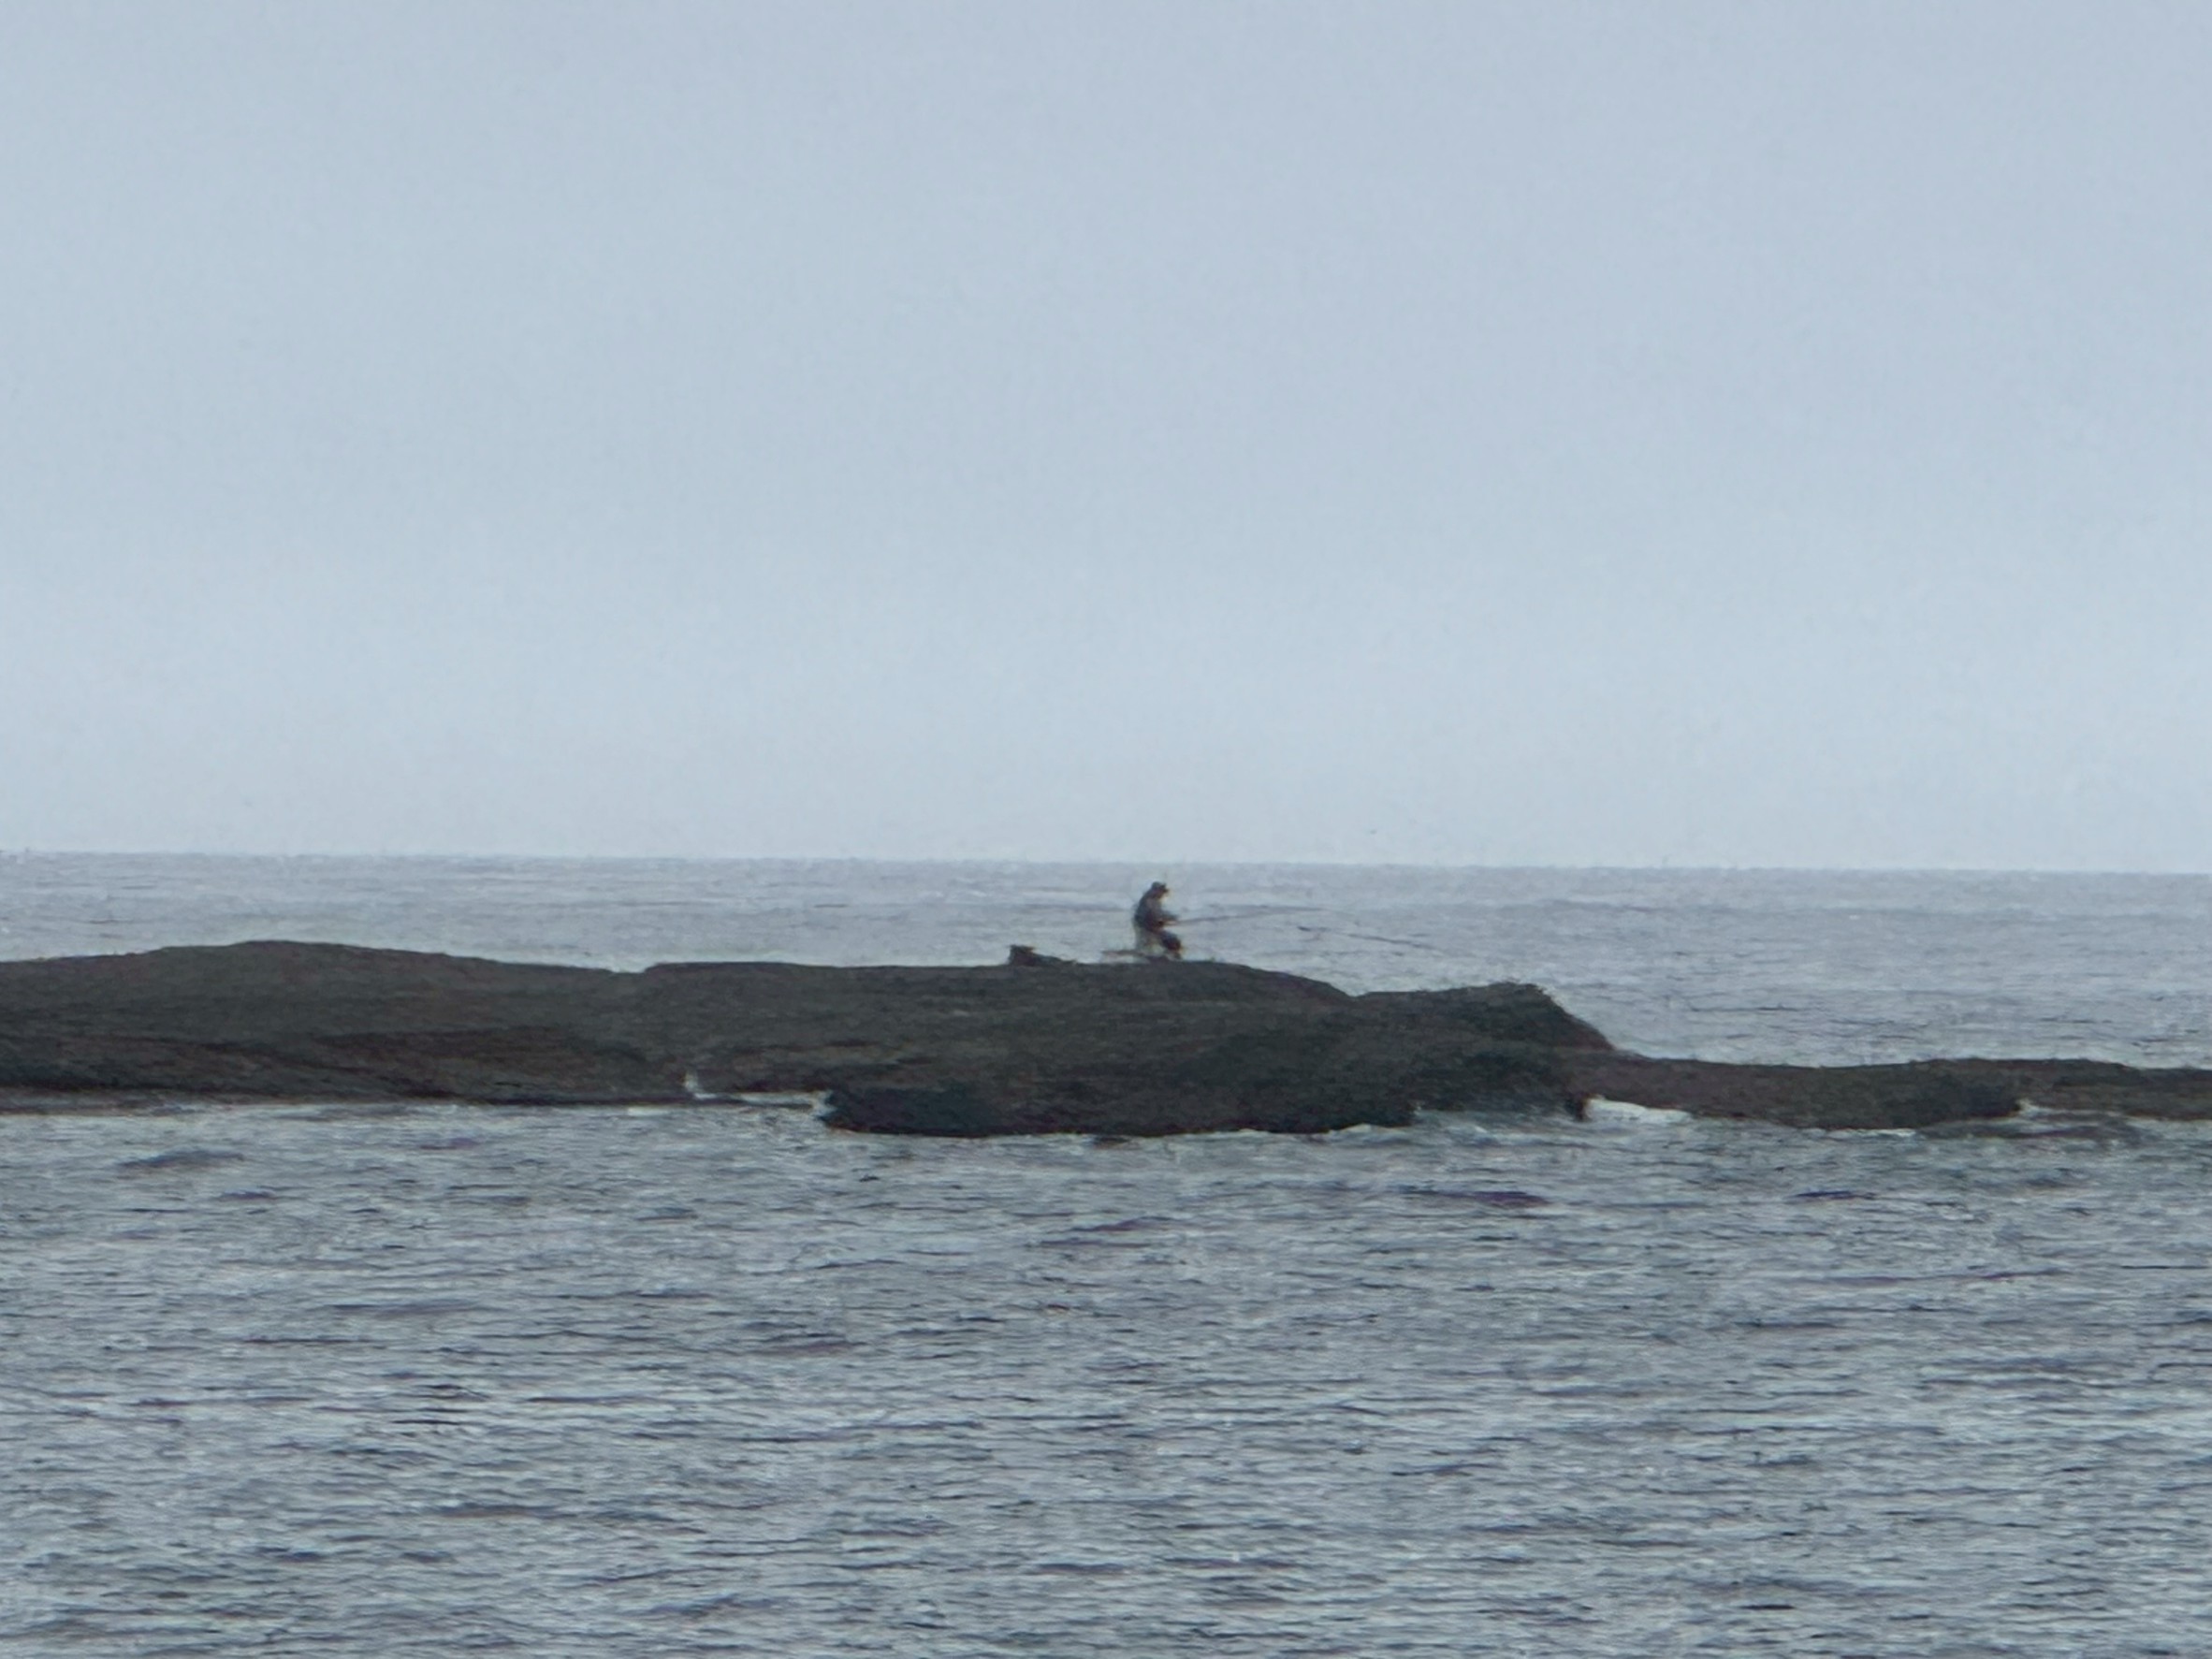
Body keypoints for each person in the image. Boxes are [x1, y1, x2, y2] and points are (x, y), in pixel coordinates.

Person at [1132, 880, 1183, 960]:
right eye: (1161, 892)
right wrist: (1167, 919)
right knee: (1171, 940)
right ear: (1156, 891)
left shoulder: (1151, 900)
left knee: (1168, 940)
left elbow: (1159, 914)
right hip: (1147, 928)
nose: (1163, 895)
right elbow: (1155, 915)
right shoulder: (1150, 901)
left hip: (1150, 927)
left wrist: (1170, 917)